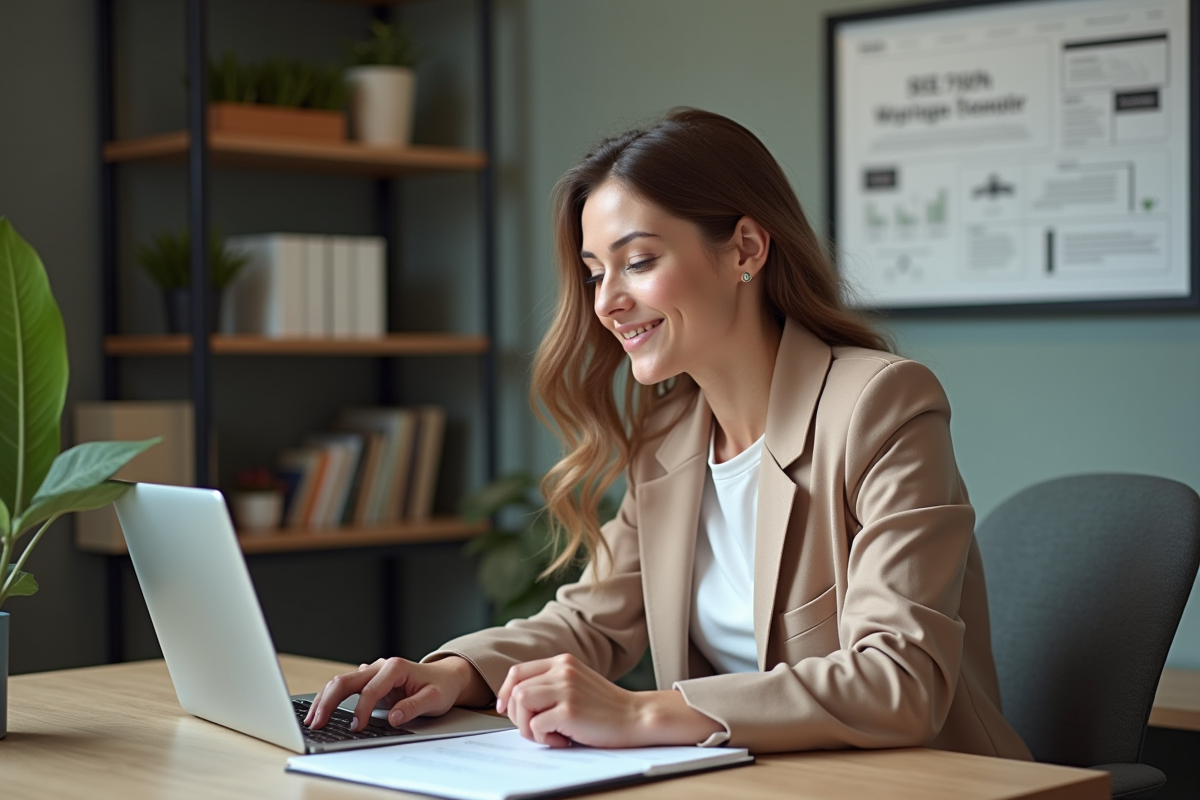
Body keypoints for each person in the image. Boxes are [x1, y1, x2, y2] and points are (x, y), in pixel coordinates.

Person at [305, 108, 1032, 759]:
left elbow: (899, 681)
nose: (608, 302)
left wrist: (646, 712)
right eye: (595, 273)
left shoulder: (880, 404)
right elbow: (594, 622)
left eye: (639, 261)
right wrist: (450, 673)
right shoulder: (669, 437)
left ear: (745, 248)